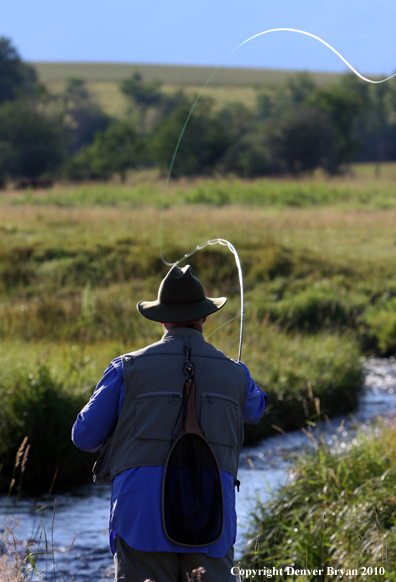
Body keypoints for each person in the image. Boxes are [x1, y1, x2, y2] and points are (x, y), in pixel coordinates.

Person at [72, 264, 267, 582]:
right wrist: (235, 374)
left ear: (160, 318)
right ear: (205, 317)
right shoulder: (236, 372)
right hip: (212, 512)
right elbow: (256, 411)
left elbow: (84, 437)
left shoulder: (126, 368)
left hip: (141, 514)